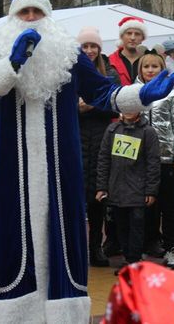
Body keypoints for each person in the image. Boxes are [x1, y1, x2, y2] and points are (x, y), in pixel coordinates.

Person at [0, 0, 174, 323]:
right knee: (12, 237)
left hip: (60, 166)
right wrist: (12, 63)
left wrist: (141, 95)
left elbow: (103, 93)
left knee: (63, 235)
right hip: (12, 168)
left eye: (38, 11)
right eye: (25, 11)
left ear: (48, 15)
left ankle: (61, 312)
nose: (31, 17)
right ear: (13, 16)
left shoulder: (68, 52)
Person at [135, 52, 174, 269]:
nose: (150, 70)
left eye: (154, 66)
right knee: (144, 207)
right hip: (140, 161)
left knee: (168, 207)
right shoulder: (133, 92)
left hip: (165, 159)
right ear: (140, 69)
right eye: (146, 66)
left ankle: (171, 248)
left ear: (162, 69)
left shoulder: (171, 93)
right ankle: (144, 246)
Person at [95, 111, 160, 274]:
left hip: (138, 190)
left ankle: (134, 260)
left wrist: (151, 190)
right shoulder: (112, 130)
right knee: (121, 226)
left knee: (137, 226)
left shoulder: (148, 132)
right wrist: (102, 187)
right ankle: (128, 259)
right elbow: (104, 159)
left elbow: (153, 163)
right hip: (116, 189)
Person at [76, 27, 119, 267]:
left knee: (98, 196)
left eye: (94, 46)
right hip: (77, 138)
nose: (90, 50)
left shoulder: (109, 74)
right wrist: (77, 108)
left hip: (102, 140)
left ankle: (95, 247)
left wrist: (93, 105)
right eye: (85, 46)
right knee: (77, 196)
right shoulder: (70, 72)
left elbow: (116, 105)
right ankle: (76, 247)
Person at [108, 16, 147, 85]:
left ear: (142, 38)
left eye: (137, 34)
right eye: (129, 33)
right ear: (121, 36)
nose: (132, 38)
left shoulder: (149, 60)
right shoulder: (109, 61)